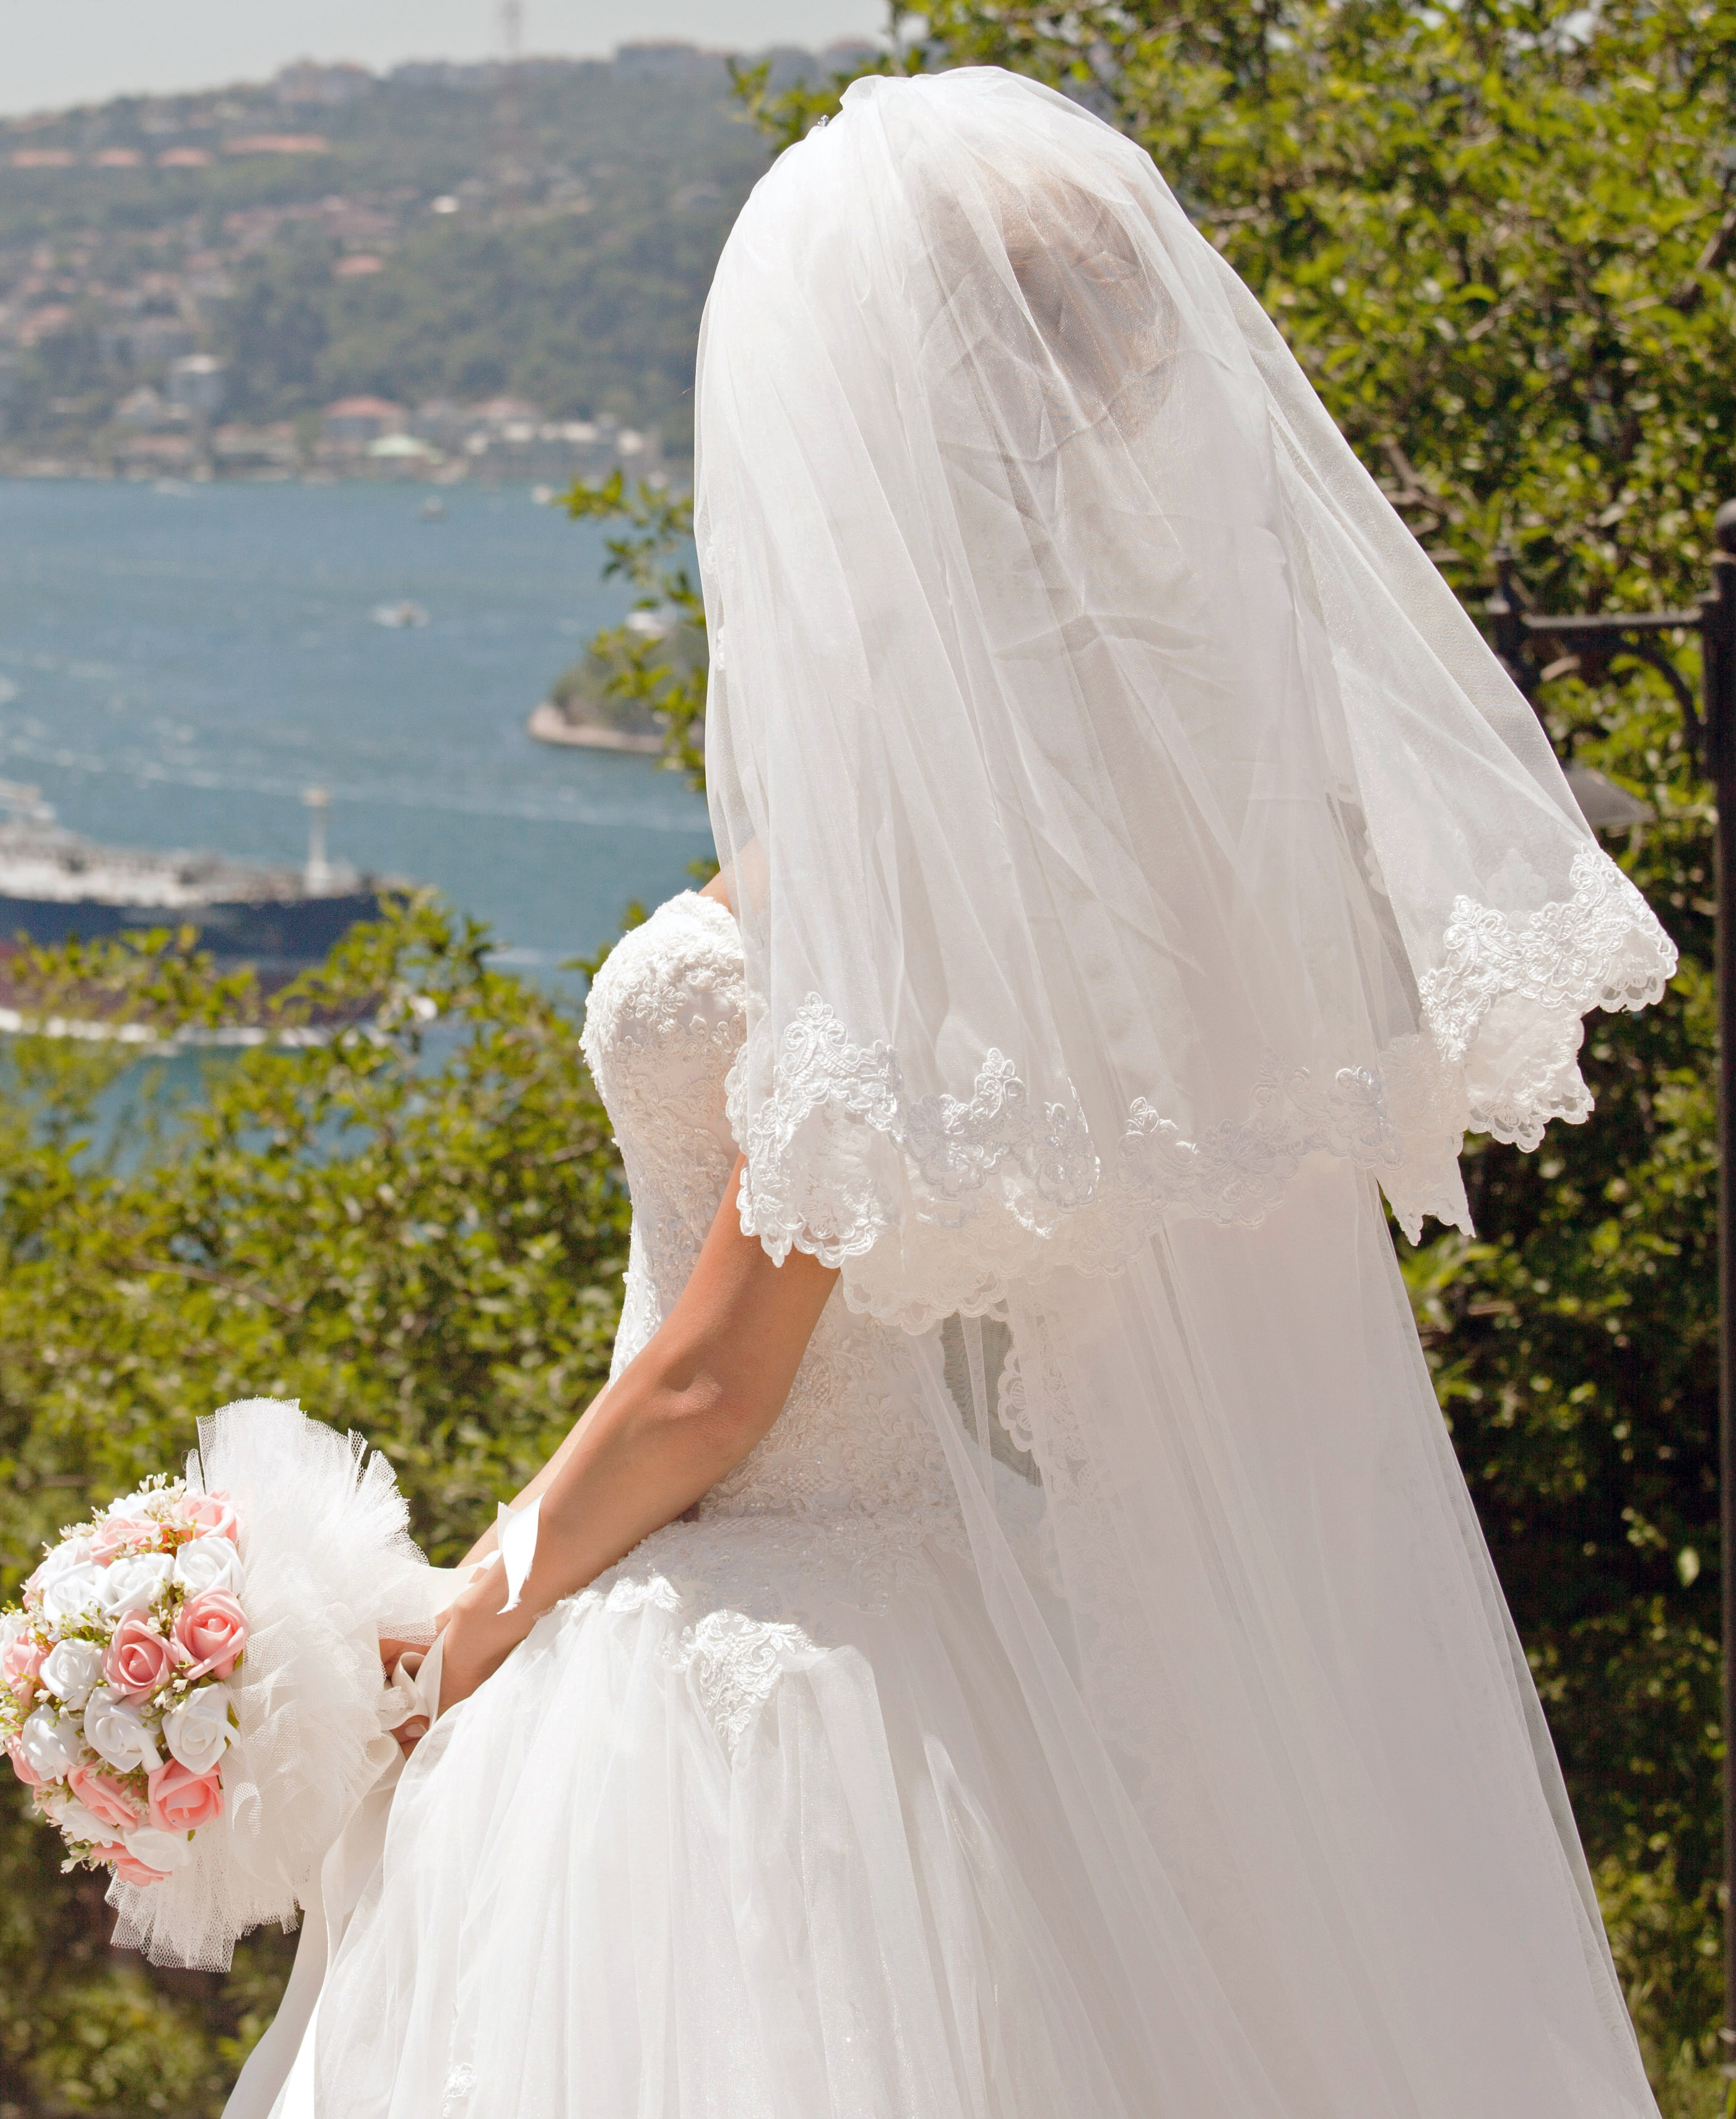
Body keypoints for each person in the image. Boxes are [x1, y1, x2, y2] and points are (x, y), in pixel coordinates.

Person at [231, 68, 1674, 2118]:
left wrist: (445, 1638)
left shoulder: (909, 840)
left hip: (764, 1645)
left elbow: (724, 1379)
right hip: (967, 1652)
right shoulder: (1104, 801)